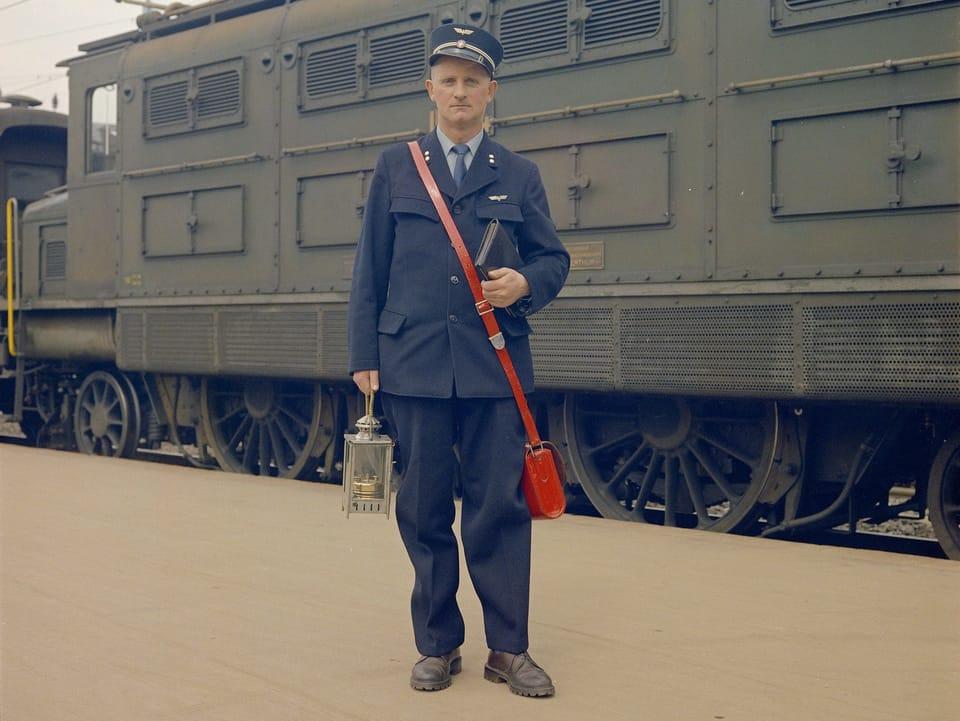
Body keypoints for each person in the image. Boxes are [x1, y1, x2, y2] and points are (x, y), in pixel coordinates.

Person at [347, 22, 569, 697]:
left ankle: (509, 648)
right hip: (412, 361)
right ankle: (438, 645)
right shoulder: (397, 165)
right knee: (421, 510)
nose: (460, 92)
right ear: (430, 89)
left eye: (472, 81)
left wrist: (525, 283)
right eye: (448, 80)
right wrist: (364, 355)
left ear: (491, 91)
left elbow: (552, 258)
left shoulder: (519, 173)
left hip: (493, 369)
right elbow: (369, 267)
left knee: (497, 508)